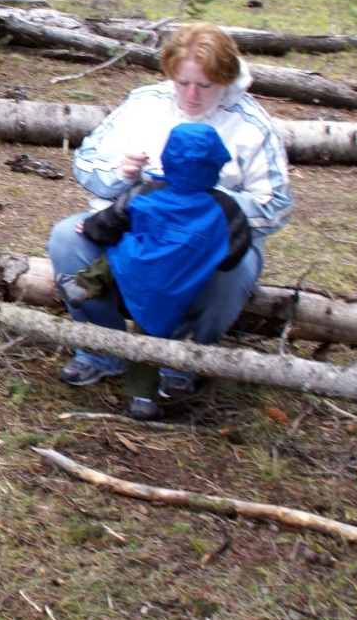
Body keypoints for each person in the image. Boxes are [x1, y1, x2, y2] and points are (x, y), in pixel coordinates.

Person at [47, 22, 292, 419]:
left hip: (210, 242)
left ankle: (179, 361)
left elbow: (276, 207)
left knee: (232, 272)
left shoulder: (251, 124)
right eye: (183, 83)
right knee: (66, 239)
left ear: (225, 79)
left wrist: (206, 203)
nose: (192, 95)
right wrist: (122, 172)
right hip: (137, 227)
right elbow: (86, 163)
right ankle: (101, 349)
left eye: (205, 85)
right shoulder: (145, 103)